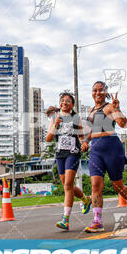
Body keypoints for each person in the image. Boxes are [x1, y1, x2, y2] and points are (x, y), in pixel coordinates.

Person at [84, 81, 127, 233]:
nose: (97, 93)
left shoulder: (109, 107)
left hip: (112, 148)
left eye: (101, 90)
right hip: (95, 149)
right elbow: (92, 131)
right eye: (95, 90)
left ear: (105, 92)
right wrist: (85, 141)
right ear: (92, 92)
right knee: (95, 185)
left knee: (118, 186)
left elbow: (123, 124)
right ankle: (97, 221)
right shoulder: (90, 110)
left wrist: (117, 109)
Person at [46, 91, 92, 231]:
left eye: (67, 101)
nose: (64, 103)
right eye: (62, 100)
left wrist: (84, 143)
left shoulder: (75, 118)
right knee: (68, 186)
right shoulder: (55, 117)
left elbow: (80, 136)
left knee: (67, 185)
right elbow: (48, 138)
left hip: (73, 153)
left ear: (72, 105)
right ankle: (85, 199)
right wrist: (56, 124)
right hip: (60, 154)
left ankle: (65, 219)